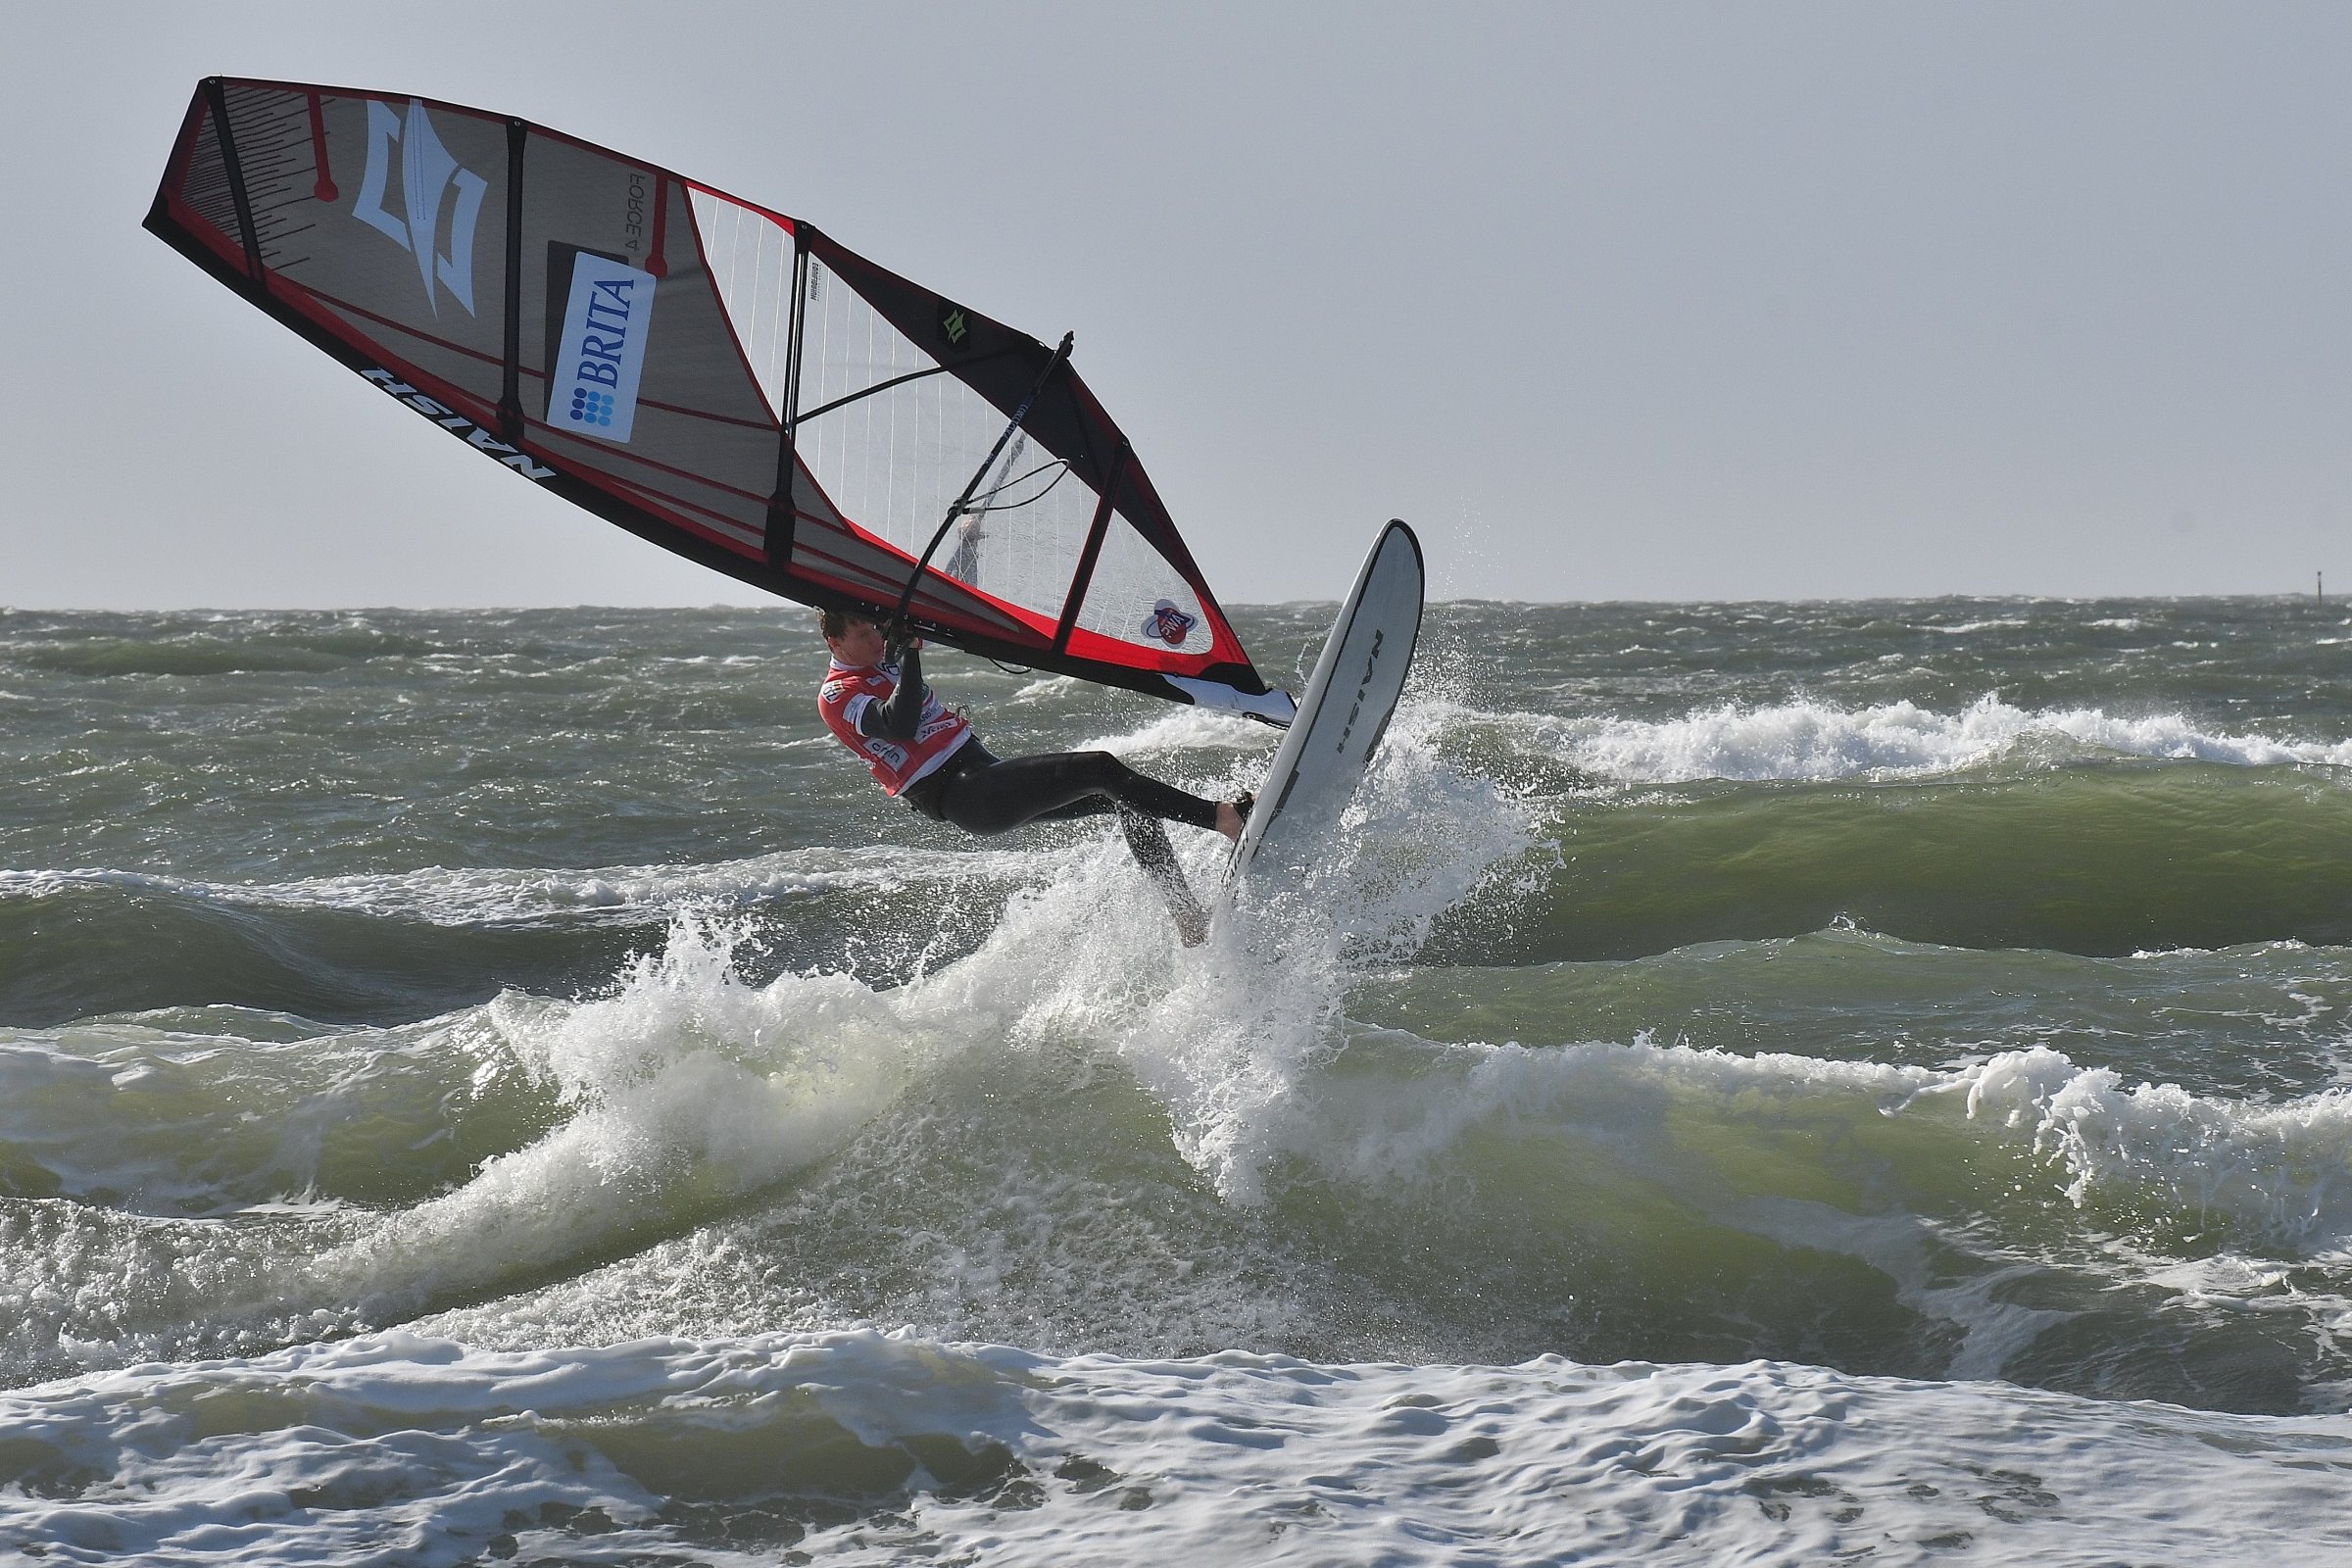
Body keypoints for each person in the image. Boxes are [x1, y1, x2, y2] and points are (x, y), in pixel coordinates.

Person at [816, 609, 1248, 945]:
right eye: (863, 635)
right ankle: (1224, 818)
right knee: (1099, 767)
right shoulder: (838, 694)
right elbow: (899, 723)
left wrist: (969, 542)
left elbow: (932, 595)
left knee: (1126, 797)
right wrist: (910, 651)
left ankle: (1187, 916)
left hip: (983, 773)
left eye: (876, 630)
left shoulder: (882, 654)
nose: (876, 640)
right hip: (967, 797)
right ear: (835, 642)